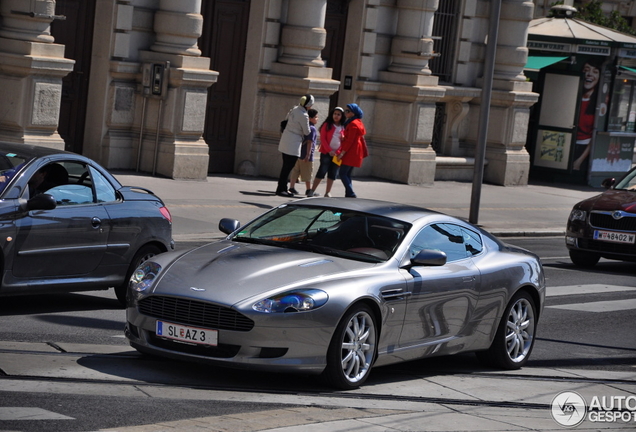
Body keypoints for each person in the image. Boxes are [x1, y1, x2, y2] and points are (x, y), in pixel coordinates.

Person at [275, 94, 314, 197]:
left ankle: (282, 188)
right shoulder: (304, 115)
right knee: (288, 167)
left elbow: (285, 121)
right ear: (308, 104)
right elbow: (306, 131)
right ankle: (281, 189)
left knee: (285, 166)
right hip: (294, 143)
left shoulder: (294, 109)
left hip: (285, 139)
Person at [307, 107, 345, 197]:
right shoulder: (327, 125)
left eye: (338, 114)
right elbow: (323, 139)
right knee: (322, 170)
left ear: (342, 116)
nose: (336, 116)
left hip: (337, 155)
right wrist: (329, 150)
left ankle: (328, 192)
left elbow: (344, 141)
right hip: (326, 152)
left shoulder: (343, 127)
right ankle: (312, 190)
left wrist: (339, 152)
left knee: (333, 173)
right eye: (334, 114)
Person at [573, 59, 602, 171]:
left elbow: (594, 136)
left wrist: (579, 161)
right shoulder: (573, 95)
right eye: (586, 70)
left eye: (595, 71)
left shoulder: (601, 102)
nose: (589, 74)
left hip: (583, 150)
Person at [335, 103, 366, 198]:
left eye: (347, 111)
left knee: (342, 173)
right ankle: (348, 193)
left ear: (353, 113)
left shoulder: (353, 124)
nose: (345, 113)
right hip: (355, 151)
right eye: (345, 110)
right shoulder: (357, 122)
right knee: (347, 174)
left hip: (350, 152)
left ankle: (351, 193)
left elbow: (350, 141)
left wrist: (342, 153)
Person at [288, 109, 318, 196]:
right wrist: (308, 155)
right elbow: (310, 142)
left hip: (298, 152)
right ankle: (308, 189)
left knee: (296, 171)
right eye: (315, 117)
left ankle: (292, 187)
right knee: (307, 172)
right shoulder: (312, 128)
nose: (317, 118)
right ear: (310, 118)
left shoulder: (304, 126)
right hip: (306, 154)